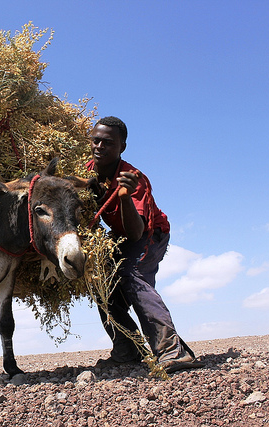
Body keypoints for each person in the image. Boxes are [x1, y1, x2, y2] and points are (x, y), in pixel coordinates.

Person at [87, 116, 203, 373]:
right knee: (100, 283)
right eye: (95, 140)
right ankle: (127, 349)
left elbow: (137, 233)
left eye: (107, 143)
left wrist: (124, 196)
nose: (99, 147)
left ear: (122, 147)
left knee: (132, 275)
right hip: (120, 236)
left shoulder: (135, 178)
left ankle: (173, 352)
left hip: (151, 234)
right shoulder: (87, 172)